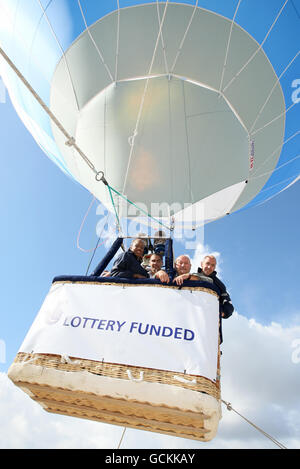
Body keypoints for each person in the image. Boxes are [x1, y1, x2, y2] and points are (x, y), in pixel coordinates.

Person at [196, 255, 234, 343]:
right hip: (192, 323)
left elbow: (229, 307)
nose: (209, 267)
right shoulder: (191, 277)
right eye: (207, 263)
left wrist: (222, 313)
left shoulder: (220, 285)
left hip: (209, 329)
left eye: (213, 265)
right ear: (202, 264)